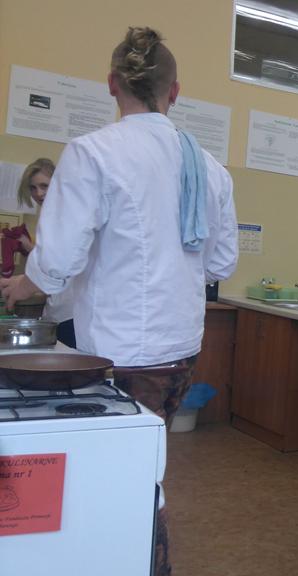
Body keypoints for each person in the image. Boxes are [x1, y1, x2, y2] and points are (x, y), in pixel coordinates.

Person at [0, 27, 238, 576]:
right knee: (143, 465)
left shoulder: (93, 153)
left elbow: (57, 260)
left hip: (120, 352)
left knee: (119, 475)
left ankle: (135, 560)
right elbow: (221, 265)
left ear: (112, 84)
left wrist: (22, 286)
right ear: (174, 91)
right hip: (180, 350)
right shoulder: (210, 168)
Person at [14, 158, 75, 347]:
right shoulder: (49, 215)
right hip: (57, 309)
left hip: (70, 311)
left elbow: (60, 261)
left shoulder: (67, 214)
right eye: (33, 188)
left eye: (44, 186)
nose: (38, 193)